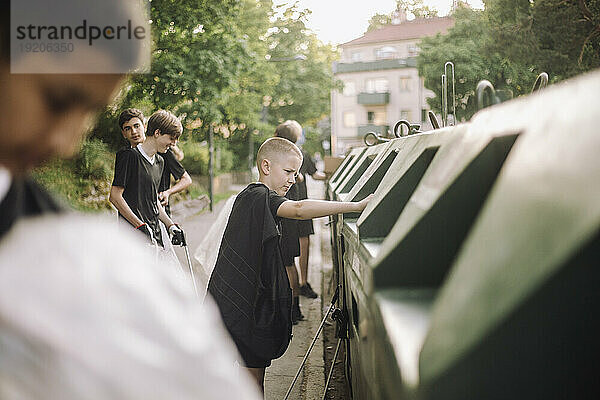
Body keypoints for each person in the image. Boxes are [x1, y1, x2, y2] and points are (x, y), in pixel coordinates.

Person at [0, 4, 261, 398]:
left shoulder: (93, 272)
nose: (66, 143)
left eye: (88, 113)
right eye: (56, 99)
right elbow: (117, 196)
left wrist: (165, 218)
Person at [207, 137, 372, 392]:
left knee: (243, 378)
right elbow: (298, 209)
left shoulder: (253, 197)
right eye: (288, 172)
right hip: (244, 305)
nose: (293, 179)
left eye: (295, 173)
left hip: (239, 301)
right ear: (265, 166)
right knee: (250, 381)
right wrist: (355, 206)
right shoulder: (259, 196)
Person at [109, 110, 183, 248]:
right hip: (133, 238)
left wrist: (171, 225)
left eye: (137, 126)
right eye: (171, 138)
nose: (173, 144)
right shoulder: (129, 156)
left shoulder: (160, 161)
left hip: (155, 235)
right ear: (157, 133)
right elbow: (114, 196)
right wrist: (139, 226)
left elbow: (153, 200)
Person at [117, 108, 192, 217]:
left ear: (144, 126)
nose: (133, 132)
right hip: (135, 219)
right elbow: (117, 195)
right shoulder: (125, 156)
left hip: (159, 213)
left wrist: (167, 192)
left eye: (137, 126)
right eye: (128, 128)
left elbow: (186, 179)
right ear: (123, 133)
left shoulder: (163, 153)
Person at [273, 121, 303, 324]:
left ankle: (291, 309)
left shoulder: (284, 160)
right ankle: (296, 307)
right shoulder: (295, 159)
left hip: (286, 217)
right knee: (291, 263)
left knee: (286, 264)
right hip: (292, 220)